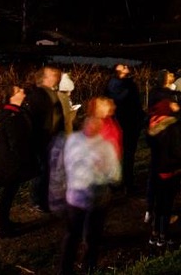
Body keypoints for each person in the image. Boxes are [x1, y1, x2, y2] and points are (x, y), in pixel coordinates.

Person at [58, 97, 122, 275]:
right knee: (91, 235)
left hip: (75, 195)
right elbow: (114, 174)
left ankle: (66, 269)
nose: (110, 105)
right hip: (95, 195)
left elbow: (66, 162)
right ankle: (89, 267)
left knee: (73, 235)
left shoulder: (73, 140)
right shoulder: (104, 143)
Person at [0, 84, 37, 238]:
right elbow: (16, 143)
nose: (22, 91)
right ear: (11, 97)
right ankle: (3, 228)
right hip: (11, 163)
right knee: (8, 193)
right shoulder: (12, 117)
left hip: (12, 162)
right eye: (18, 91)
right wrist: (24, 160)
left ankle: (5, 223)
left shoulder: (17, 112)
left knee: (10, 192)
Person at [147, 97, 181, 247]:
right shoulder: (173, 127)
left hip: (156, 169)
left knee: (158, 204)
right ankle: (163, 236)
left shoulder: (153, 125)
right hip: (170, 169)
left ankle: (154, 233)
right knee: (167, 205)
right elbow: (179, 150)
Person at [25, 66, 65, 212]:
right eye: (52, 74)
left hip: (51, 136)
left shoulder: (51, 93)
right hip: (42, 139)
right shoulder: (37, 95)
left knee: (48, 169)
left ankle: (45, 198)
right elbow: (36, 119)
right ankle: (38, 201)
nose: (56, 76)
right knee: (42, 170)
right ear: (44, 78)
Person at [104, 62, 144, 194]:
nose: (126, 67)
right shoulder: (120, 85)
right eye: (123, 66)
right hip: (125, 122)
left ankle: (122, 182)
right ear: (117, 71)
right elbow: (122, 101)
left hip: (128, 122)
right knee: (125, 154)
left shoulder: (124, 84)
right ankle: (124, 183)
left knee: (125, 154)